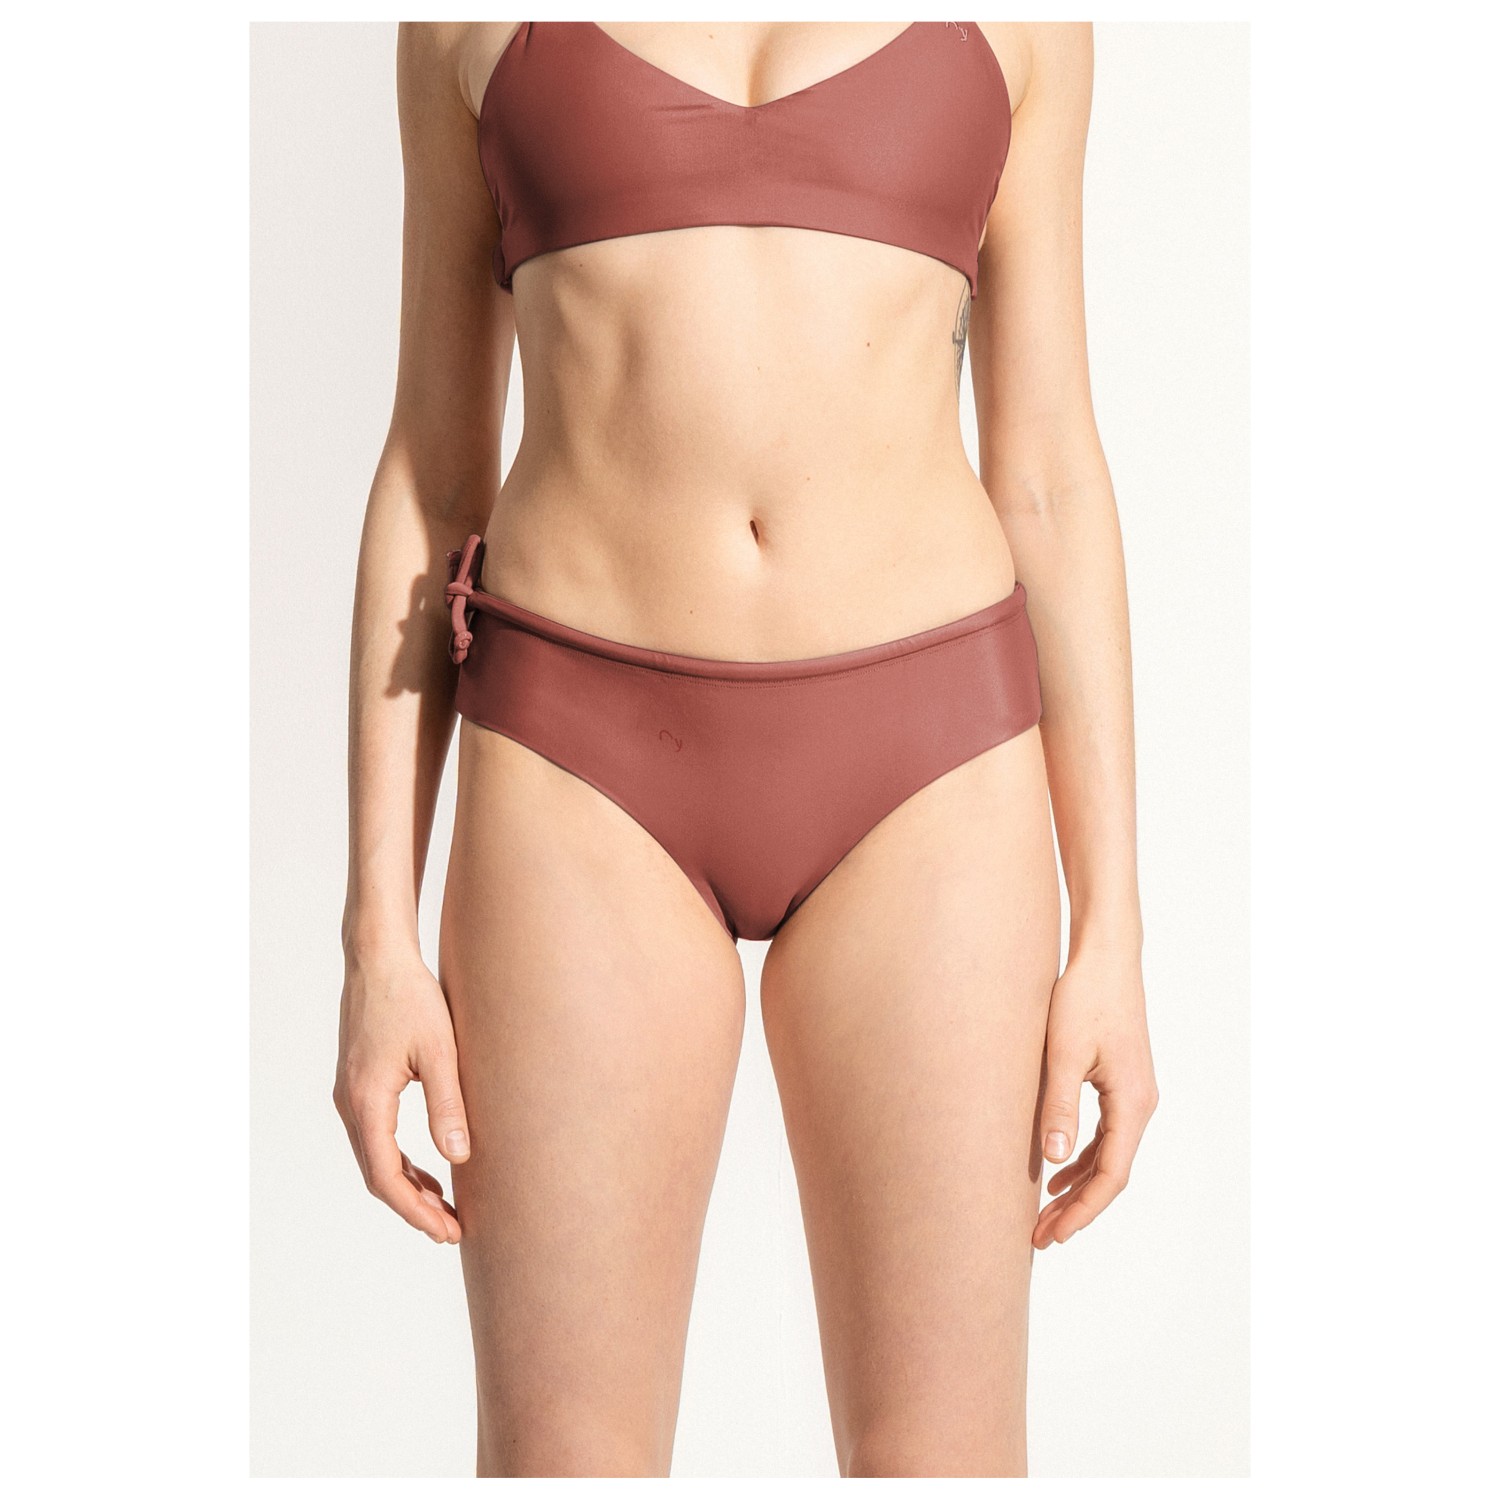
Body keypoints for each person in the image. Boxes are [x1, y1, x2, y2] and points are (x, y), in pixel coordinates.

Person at [334, 19, 1158, 1479]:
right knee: (564, 1460)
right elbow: (432, 468)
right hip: (578, 754)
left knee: (943, 1459)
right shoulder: (460, 24)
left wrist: (1115, 934)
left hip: (931, 762)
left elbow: (1045, 470)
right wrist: (375, 943)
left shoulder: (1030, 24)